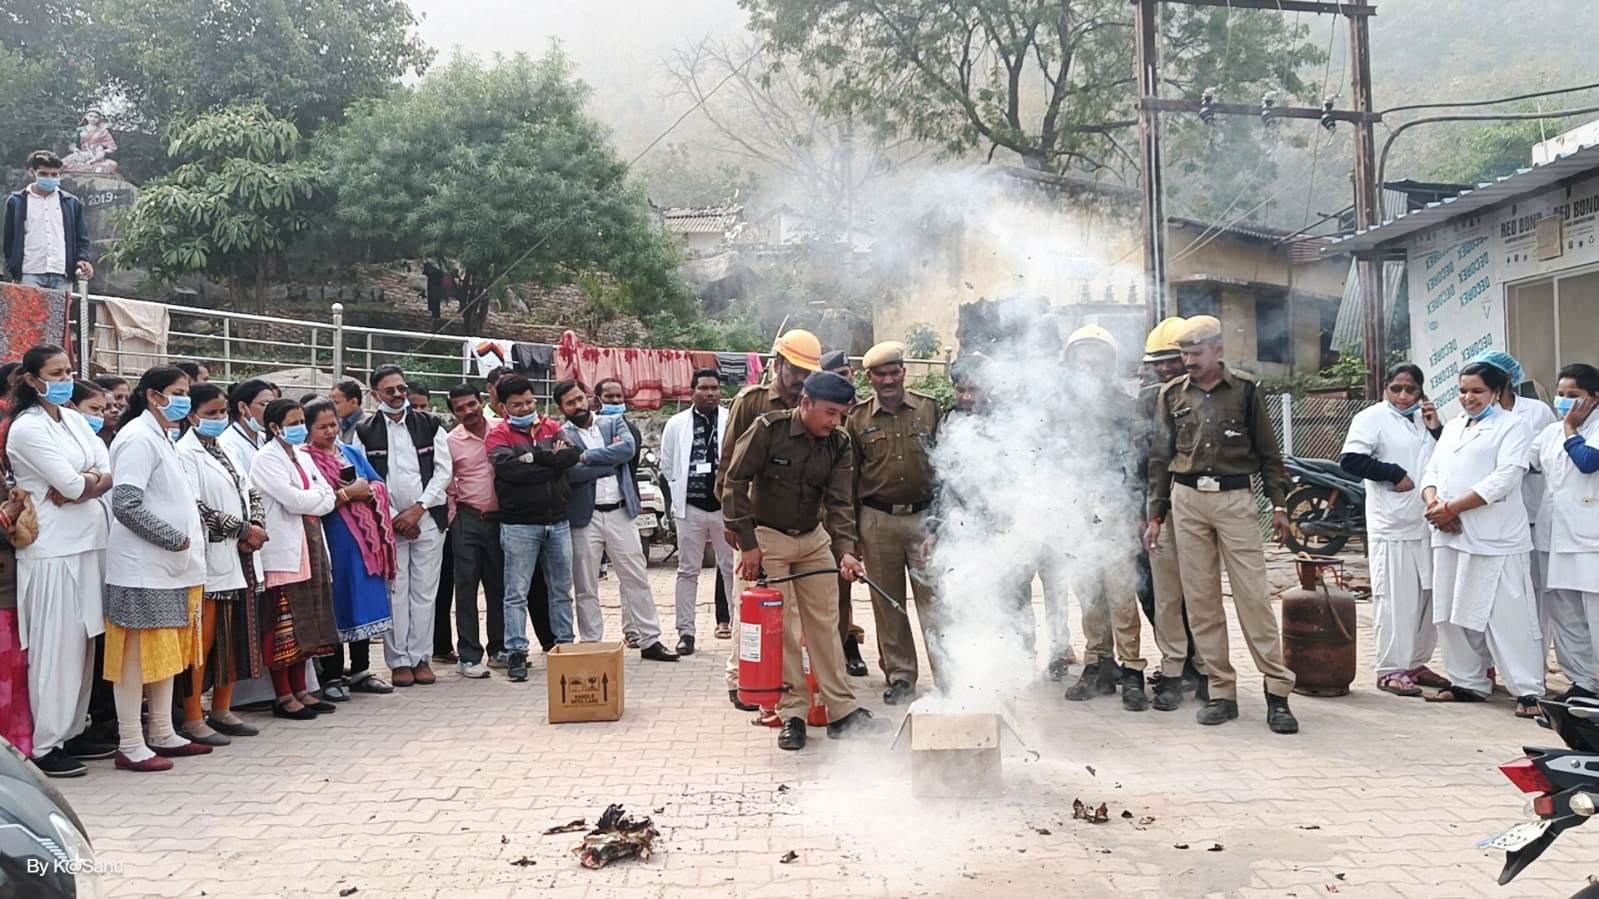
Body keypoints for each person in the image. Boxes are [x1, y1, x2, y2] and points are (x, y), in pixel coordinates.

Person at [1146, 315, 1299, 734]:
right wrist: (1156, 514)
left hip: (1234, 498)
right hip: (1187, 499)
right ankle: (1221, 692)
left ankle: (1278, 692)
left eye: (1195, 353)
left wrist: (1280, 506)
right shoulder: (1170, 394)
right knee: (1201, 601)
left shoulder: (1246, 391)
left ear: (1217, 350)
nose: (1188, 361)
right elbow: (1160, 458)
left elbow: (1269, 454)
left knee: (1253, 596)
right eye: (1184, 353)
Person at [724, 371, 885, 750]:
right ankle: (792, 713)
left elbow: (841, 501)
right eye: (830, 413)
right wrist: (747, 543)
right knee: (781, 630)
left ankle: (840, 710)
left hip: (813, 539)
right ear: (806, 403)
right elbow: (734, 482)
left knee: (826, 626)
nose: (836, 422)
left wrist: (845, 549)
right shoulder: (768, 428)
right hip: (768, 539)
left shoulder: (840, 443)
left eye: (842, 414)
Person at [7, 345, 114, 775]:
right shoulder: (26, 429)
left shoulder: (72, 417)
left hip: (88, 541)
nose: (66, 378)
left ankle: (73, 730)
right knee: (56, 650)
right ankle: (47, 743)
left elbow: (105, 466)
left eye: (69, 370)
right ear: (33, 380)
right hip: (52, 549)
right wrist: (87, 482)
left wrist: (87, 482)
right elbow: (70, 484)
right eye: (56, 372)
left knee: (86, 644)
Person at [1420, 362, 1543, 716]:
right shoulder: (1454, 427)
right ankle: (1468, 683)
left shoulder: (1513, 426)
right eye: (1463, 390)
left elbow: (1505, 479)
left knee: (1508, 615)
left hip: (1496, 537)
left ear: (1496, 391)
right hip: (1449, 532)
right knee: (1450, 610)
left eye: (1476, 391)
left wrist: (1453, 507)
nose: (1467, 398)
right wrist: (1435, 506)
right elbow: (1432, 470)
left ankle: (1529, 691)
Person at [104, 366, 210, 771]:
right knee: (133, 658)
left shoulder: (162, 436)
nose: (185, 399)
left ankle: (163, 732)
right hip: (141, 570)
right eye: (178, 392)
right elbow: (126, 504)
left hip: (170, 570)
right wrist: (175, 538)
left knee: (164, 654)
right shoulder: (136, 439)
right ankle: (130, 742)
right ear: (153, 395)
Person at [717, 329, 822, 706]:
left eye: (807, 373)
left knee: (787, 612)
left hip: (795, 524)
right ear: (778, 365)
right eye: (795, 371)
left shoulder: (815, 404)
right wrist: (735, 524)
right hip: (752, 524)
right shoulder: (752, 402)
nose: (800, 380)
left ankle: (779, 683)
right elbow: (728, 467)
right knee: (748, 601)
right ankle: (739, 679)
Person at [1338, 363, 1447, 697]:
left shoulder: (1424, 419)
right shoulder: (1371, 418)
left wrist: (1435, 429)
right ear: (1385, 388)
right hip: (1393, 525)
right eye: (1396, 388)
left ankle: (1415, 662)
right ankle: (1390, 669)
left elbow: (1445, 456)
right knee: (1395, 600)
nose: (1403, 396)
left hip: (1428, 525)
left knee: (1428, 599)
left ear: (1421, 390)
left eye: (1410, 389)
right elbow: (1351, 460)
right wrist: (1393, 473)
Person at [1058, 326, 1148, 712]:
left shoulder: (1127, 407)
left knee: (1121, 592)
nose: (1089, 361)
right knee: (1088, 592)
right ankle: (1098, 663)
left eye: (1097, 354)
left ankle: (1132, 669)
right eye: (1083, 354)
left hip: (1115, 507)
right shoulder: (1059, 408)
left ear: (1109, 362)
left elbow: (1139, 464)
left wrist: (1137, 512)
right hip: (1074, 507)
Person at [845, 341, 941, 705]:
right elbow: (849, 480)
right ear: (869, 378)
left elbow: (945, 470)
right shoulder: (857, 419)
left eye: (893, 371)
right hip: (877, 520)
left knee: (935, 601)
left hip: (922, 519)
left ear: (904, 372)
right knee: (888, 604)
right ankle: (901, 676)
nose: (888, 379)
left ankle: (948, 675)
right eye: (879, 374)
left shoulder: (929, 410)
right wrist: (852, 534)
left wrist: (939, 524)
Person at [557, 379, 676, 661]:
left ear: (588, 399)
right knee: (586, 585)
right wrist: (607, 465)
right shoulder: (560, 434)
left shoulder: (613, 422)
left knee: (636, 578)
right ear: (562, 408)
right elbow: (569, 472)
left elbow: (627, 451)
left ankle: (650, 640)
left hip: (621, 513)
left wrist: (586, 457)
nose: (577, 405)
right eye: (570, 403)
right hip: (586, 518)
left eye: (579, 399)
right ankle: (591, 644)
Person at [175, 382, 268, 743]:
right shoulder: (185, 453)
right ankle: (194, 715)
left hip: (240, 556)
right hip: (213, 557)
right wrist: (241, 528)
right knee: (205, 639)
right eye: (210, 413)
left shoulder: (221, 450)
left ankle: (222, 709)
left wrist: (256, 524)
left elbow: (251, 490)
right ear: (193, 414)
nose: (218, 418)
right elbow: (194, 507)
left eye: (222, 412)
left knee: (233, 637)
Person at [353, 366, 452, 687]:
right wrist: (396, 515)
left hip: (428, 520)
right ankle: (398, 662)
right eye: (389, 390)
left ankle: (421, 657)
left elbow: (443, 471)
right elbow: (365, 477)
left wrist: (419, 509)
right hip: (388, 523)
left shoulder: (430, 424)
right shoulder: (365, 431)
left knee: (425, 592)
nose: (397, 395)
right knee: (395, 592)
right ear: (374, 395)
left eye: (401, 388)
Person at [251, 398, 344, 719]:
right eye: (292, 423)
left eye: (301, 422)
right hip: (284, 553)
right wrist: (314, 498)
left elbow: (329, 494)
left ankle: (302, 689)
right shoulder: (266, 459)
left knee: (308, 623)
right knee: (284, 628)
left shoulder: (301, 456)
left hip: (311, 548)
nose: (299, 429)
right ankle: (283, 695)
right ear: (275, 427)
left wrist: (314, 498)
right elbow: (293, 501)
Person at [486, 376, 580, 682]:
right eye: (517, 404)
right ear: (503, 407)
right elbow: (510, 472)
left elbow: (571, 456)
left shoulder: (551, 427)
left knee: (561, 589)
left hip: (558, 521)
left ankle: (565, 647)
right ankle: (516, 653)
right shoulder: (498, 434)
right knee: (516, 592)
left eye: (529, 401)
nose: (526, 407)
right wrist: (551, 460)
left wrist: (536, 457)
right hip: (519, 525)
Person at [301, 399, 396, 699]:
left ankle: (362, 670)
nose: (330, 431)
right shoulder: (305, 459)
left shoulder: (350, 451)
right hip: (332, 541)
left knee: (363, 603)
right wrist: (346, 493)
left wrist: (367, 490)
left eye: (334, 424)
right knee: (336, 604)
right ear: (307, 429)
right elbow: (311, 498)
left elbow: (378, 483)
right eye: (322, 426)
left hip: (365, 546)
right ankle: (331, 676)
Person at [1134, 318, 1205, 709]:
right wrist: (1140, 511)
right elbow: (1138, 458)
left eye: (1171, 360)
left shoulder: (1203, 396)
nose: (1164, 368)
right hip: (1152, 509)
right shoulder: (1145, 401)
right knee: (1152, 592)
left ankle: (1202, 665)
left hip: (1191, 506)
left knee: (1196, 592)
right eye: (1157, 362)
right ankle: (1178, 662)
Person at [1531, 363, 1599, 701]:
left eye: (1572, 396)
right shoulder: (1549, 432)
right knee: (1565, 615)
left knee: (1595, 614)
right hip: (1554, 536)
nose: (1563, 402)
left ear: (1594, 398)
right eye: (1560, 395)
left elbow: (1587, 461)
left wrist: (1571, 428)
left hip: (1591, 541)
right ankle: (1583, 682)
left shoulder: (1591, 428)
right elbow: (1524, 462)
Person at [660, 369, 736, 665]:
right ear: (692, 391)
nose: (710, 393)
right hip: (690, 508)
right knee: (687, 570)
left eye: (714, 388)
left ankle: (738, 630)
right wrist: (681, 488)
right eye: (703, 388)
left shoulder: (732, 419)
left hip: (725, 508)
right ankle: (686, 633)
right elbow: (667, 465)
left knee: (731, 569)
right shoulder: (676, 423)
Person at [445, 384, 505, 679]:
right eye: (460, 408)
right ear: (454, 413)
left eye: (471, 404)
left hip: (502, 520)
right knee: (466, 588)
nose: (468, 412)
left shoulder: (501, 429)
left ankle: (499, 650)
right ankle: (468, 655)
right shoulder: (451, 441)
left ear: (481, 402)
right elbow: (445, 480)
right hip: (467, 520)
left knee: (499, 586)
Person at [821, 349, 868, 676]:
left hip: (854, 516)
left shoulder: (863, 414)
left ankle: (849, 647)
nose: (844, 379)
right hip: (822, 516)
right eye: (836, 374)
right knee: (828, 594)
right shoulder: (820, 412)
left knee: (845, 588)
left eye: (847, 373)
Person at [3, 150, 94, 288]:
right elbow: (9, 240)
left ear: (60, 173)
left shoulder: (71, 203)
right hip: (29, 273)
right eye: (44, 174)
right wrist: (14, 270)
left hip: (62, 273)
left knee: (59, 311)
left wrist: (83, 259)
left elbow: (82, 238)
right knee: (30, 311)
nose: (50, 178)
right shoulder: (17, 202)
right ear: (32, 172)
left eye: (54, 174)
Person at [221, 379, 278, 471]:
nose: (271, 410)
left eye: (273, 405)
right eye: (265, 404)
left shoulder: (263, 438)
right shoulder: (227, 444)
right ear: (242, 407)